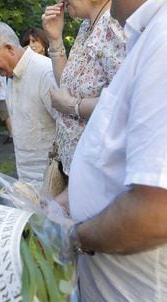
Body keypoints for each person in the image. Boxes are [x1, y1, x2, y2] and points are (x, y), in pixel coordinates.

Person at [55, 0, 167, 302]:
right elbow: (120, 150)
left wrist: (74, 238)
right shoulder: (158, 28)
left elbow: (165, 213)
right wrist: (66, 201)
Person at [42, 0, 125, 180]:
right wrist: (54, 39)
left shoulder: (114, 25)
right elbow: (68, 83)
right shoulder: (87, 25)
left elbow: (125, 100)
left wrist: (73, 106)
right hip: (75, 167)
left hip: (100, 173)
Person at [0, 22, 57, 188]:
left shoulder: (45, 72)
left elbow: (71, 133)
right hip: (27, 182)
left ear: (9, 48)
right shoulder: (11, 75)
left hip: (54, 186)